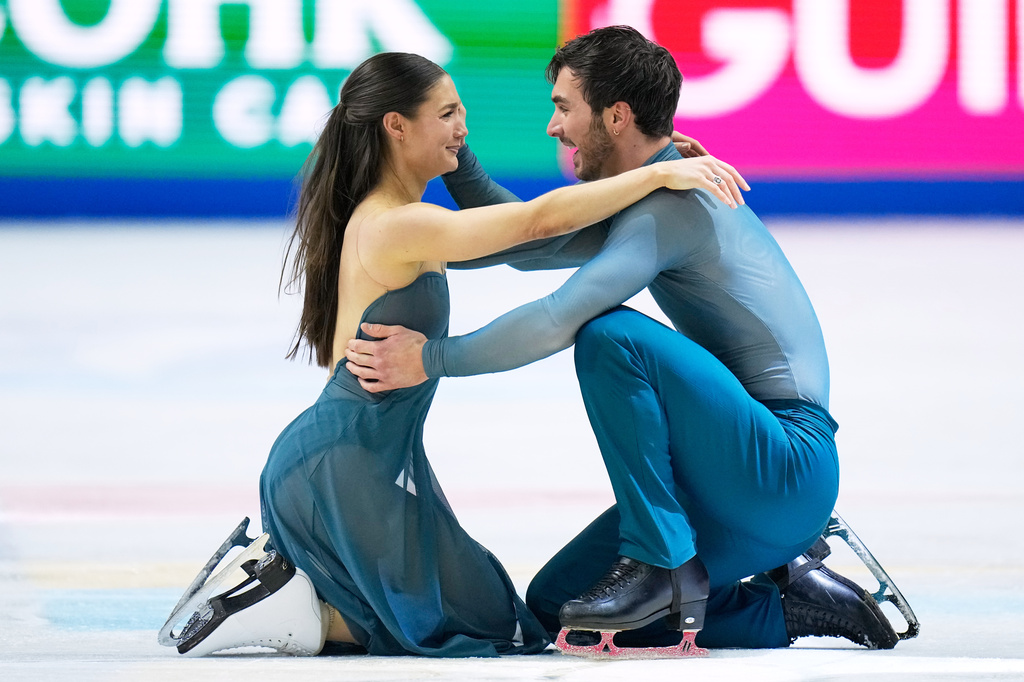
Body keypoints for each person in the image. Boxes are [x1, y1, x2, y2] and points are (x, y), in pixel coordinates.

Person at [159, 50, 749, 658]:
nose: (462, 130)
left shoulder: (399, 221)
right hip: (346, 464)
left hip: (356, 457)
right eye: (447, 115)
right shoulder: (398, 225)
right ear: (396, 126)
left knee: (468, 615)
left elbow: (533, 239)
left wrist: (650, 168)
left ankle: (277, 594)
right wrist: (655, 174)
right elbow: (534, 223)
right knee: (490, 628)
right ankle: (271, 602)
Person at [344, 26, 906, 654]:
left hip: (783, 467)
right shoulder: (654, 189)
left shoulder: (671, 206)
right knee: (559, 606)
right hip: (734, 484)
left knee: (610, 334)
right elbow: (520, 246)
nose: (553, 127)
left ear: (615, 116)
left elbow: (558, 317)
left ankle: (663, 559)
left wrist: (432, 359)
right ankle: (790, 606)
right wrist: (457, 147)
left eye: (563, 107)